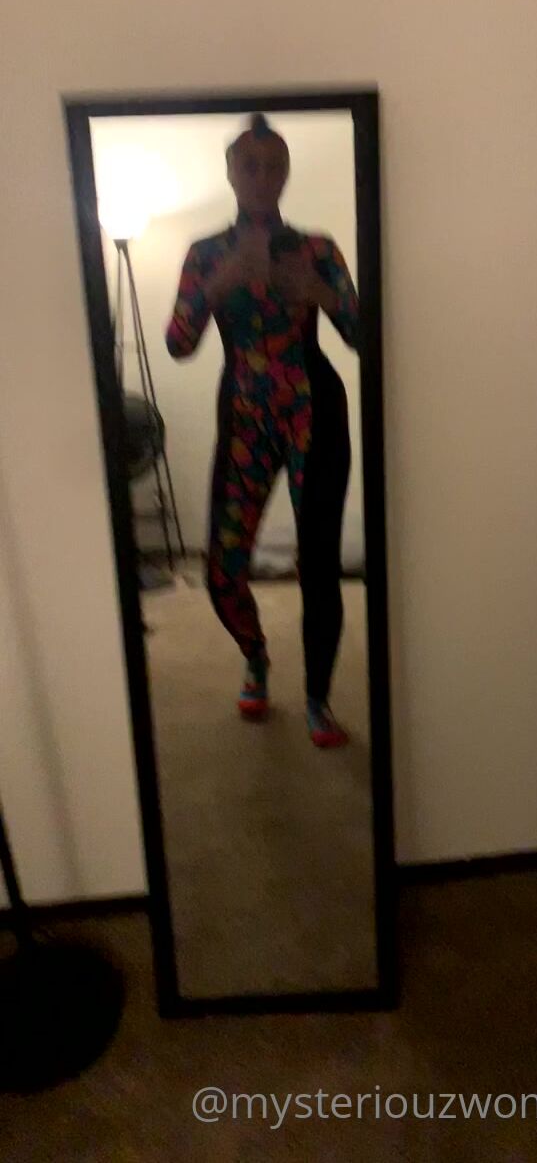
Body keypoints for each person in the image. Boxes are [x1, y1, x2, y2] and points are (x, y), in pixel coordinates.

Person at [165, 113, 359, 747]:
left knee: (320, 565)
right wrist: (218, 284)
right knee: (223, 569)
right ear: (230, 172)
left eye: (275, 165)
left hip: (313, 411)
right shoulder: (205, 255)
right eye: (249, 165)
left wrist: (322, 294)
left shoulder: (318, 249)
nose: (262, 176)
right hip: (245, 414)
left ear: (286, 173)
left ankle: (318, 699)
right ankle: (256, 655)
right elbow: (178, 344)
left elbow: (367, 335)